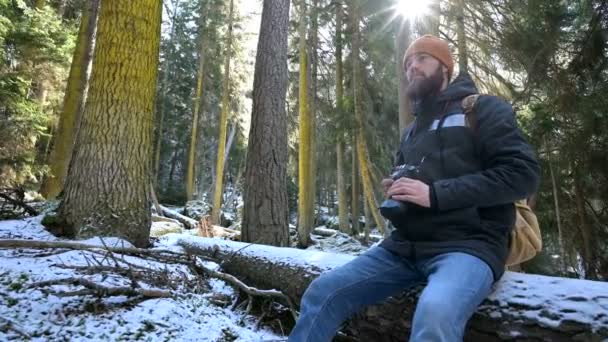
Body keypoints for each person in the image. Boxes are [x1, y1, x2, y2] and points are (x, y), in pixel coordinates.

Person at [288, 35, 540, 342]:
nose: (412, 68)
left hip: (469, 245)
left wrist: (434, 194)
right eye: (408, 63)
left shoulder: (483, 109)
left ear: (445, 67)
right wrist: (399, 188)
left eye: (422, 59)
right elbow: (419, 182)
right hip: (403, 248)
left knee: (434, 313)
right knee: (323, 292)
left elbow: (521, 174)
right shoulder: (412, 130)